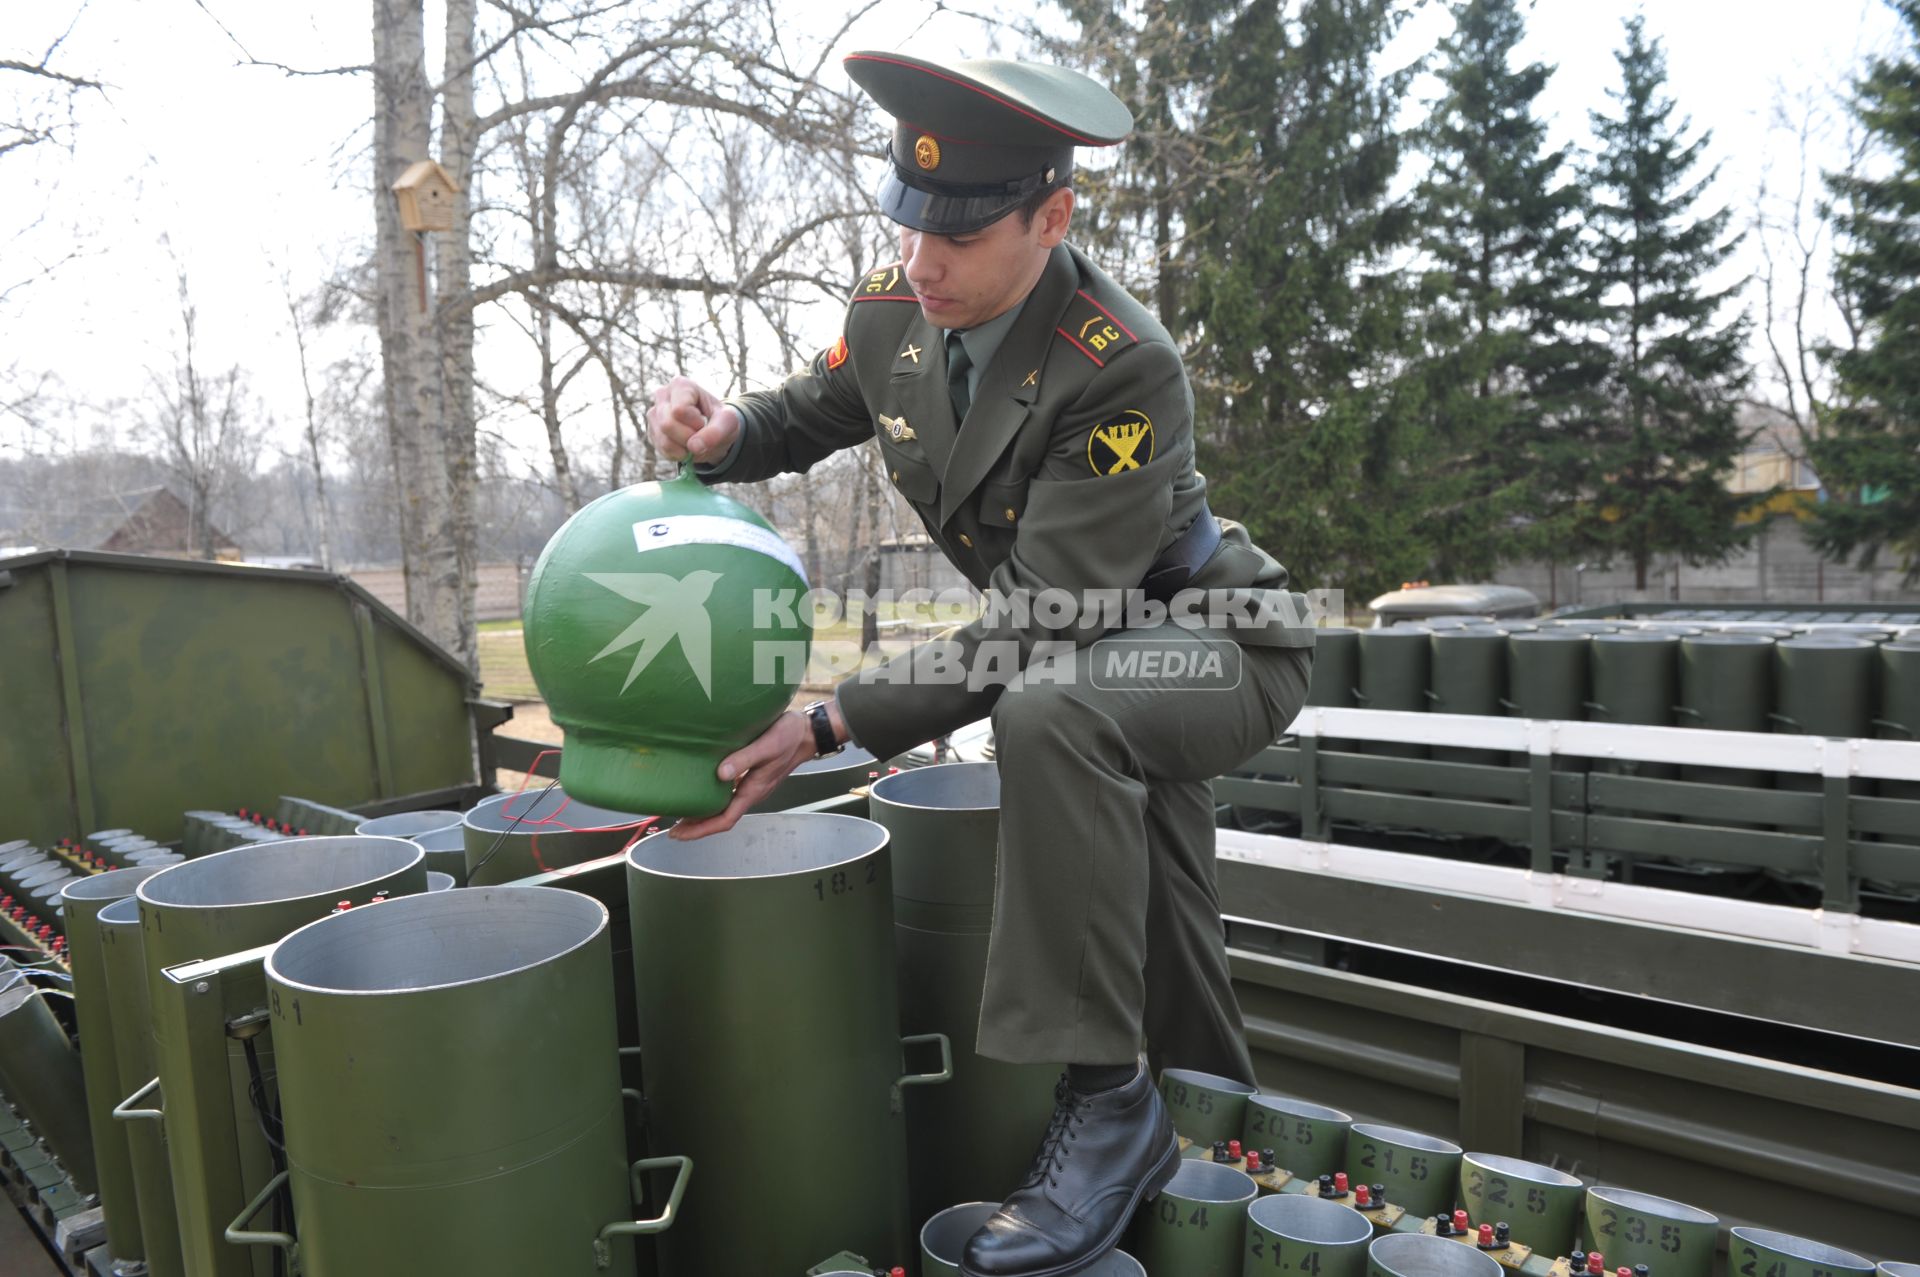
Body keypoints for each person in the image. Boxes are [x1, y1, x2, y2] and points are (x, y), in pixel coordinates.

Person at [647, 50, 1315, 1277]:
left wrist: (834, 720)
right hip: (1097, 652)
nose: (921, 261)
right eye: (907, 226)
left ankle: (1112, 1108)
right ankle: (1189, 1100)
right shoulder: (901, 306)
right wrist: (726, 430)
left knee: (1053, 714)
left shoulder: (1121, 362)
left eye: (957, 235)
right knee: (1115, 812)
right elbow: (813, 406)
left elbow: (1040, 622)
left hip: (1216, 640)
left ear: (1051, 216)